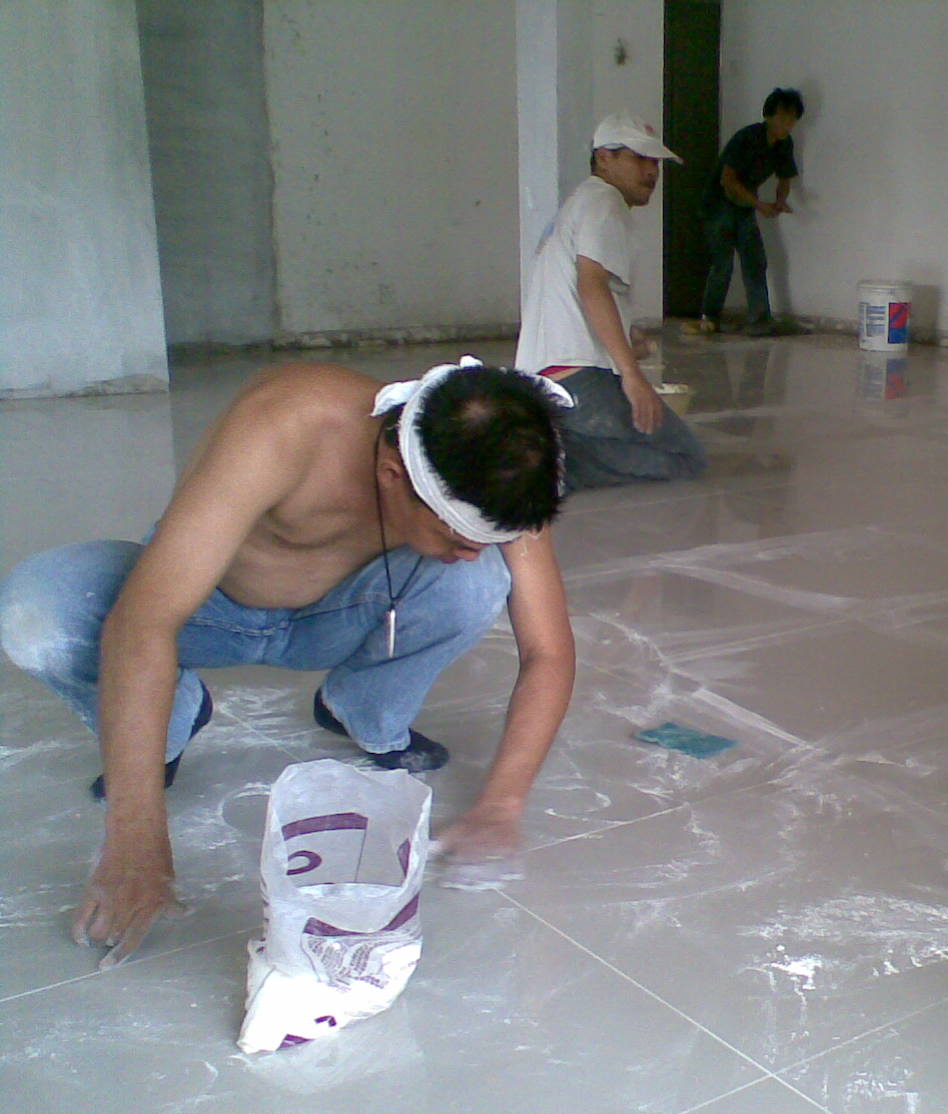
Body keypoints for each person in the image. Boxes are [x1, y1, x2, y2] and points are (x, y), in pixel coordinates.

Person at [0, 357, 577, 967]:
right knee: (37, 611)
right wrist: (135, 842)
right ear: (390, 471)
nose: (467, 552)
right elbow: (142, 623)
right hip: (209, 614)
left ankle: (358, 710)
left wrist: (502, 804)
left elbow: (548, 652)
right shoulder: (288, 424)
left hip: (341, 615)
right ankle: (172, 718)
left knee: (479, 583)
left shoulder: (502, 463)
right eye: (459, 539)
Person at [515, 112, 707, 491]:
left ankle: (546, 448)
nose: (651, 172)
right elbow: (592, 287)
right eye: (639, 159)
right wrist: (633, 378)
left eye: (655, 163)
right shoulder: (605, 201)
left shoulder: (581, 203)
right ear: (604, 158)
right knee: (686, 459)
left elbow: (584, 293)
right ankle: (547, 466)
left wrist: (625, 340)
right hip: (577, 379)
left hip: (548, 376)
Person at [690, 87, 804, 338]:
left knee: (755, 260)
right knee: (723, 264)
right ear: (769, 115)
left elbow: (785, 177)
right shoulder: (748, 138)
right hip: (719, 204)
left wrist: (779, 201)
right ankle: (709, 318)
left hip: (744, 205)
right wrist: (758, 204)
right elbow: (727, 180)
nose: (787, 123)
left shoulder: (784, 144)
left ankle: (760, 319)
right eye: (783, 116)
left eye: (792, 118)